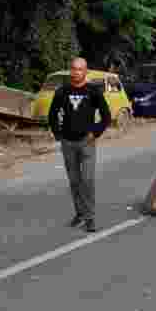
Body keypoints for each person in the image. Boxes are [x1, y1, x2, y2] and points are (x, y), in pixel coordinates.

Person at [48, 57, 111, 233]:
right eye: (74, 69)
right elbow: (52, 114)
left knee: (87, 180)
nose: (76, 72)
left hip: (86, 143)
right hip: (67, 143)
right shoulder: (62, 91)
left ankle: (90, 218)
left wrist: (95, 132)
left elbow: (106, 116)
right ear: (70, 71)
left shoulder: (93, 91)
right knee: (74, 181)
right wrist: (57, 134)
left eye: (80, 69)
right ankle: (80, 214)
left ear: (86, 71)